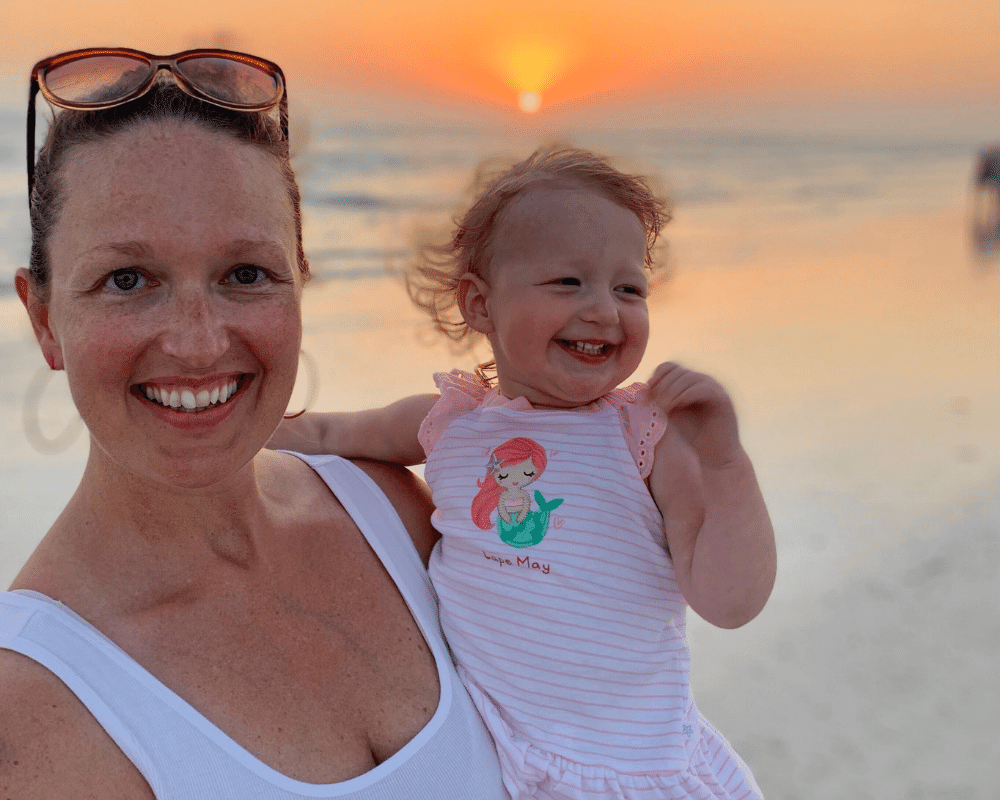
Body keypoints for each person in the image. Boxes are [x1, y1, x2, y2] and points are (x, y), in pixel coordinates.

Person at [0, 48, 509, 799]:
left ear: (300, 280)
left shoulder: (398, 512)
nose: (199, 343)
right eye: (126, 280)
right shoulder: (32, 707)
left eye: (245, 274)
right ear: (44, 320)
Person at [271, 147, 778, 799]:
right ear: (480, 305)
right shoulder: (448, 423)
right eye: (568, 282)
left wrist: (727, 465)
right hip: (490, 754)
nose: (604, 310)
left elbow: (730, 602)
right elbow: (324, 434)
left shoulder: (644, 437)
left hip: (624, 767)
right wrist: (212, 431)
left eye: (629, 288)